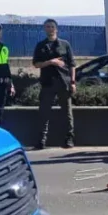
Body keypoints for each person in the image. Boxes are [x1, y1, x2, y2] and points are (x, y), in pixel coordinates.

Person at [32, 18, 76, 149]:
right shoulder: (40, 45)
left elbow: (72, 65)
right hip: (47, 83)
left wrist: (73, 82)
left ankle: (69, 140)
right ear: (44, 29)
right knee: (44, 113)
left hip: (63, 82)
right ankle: (41, 140)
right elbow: (35, 64)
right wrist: (51, 62)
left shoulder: (65, 44)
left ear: (56, 29)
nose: (50, 29)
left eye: (52, 27)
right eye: (47, 27)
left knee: (67, 113)